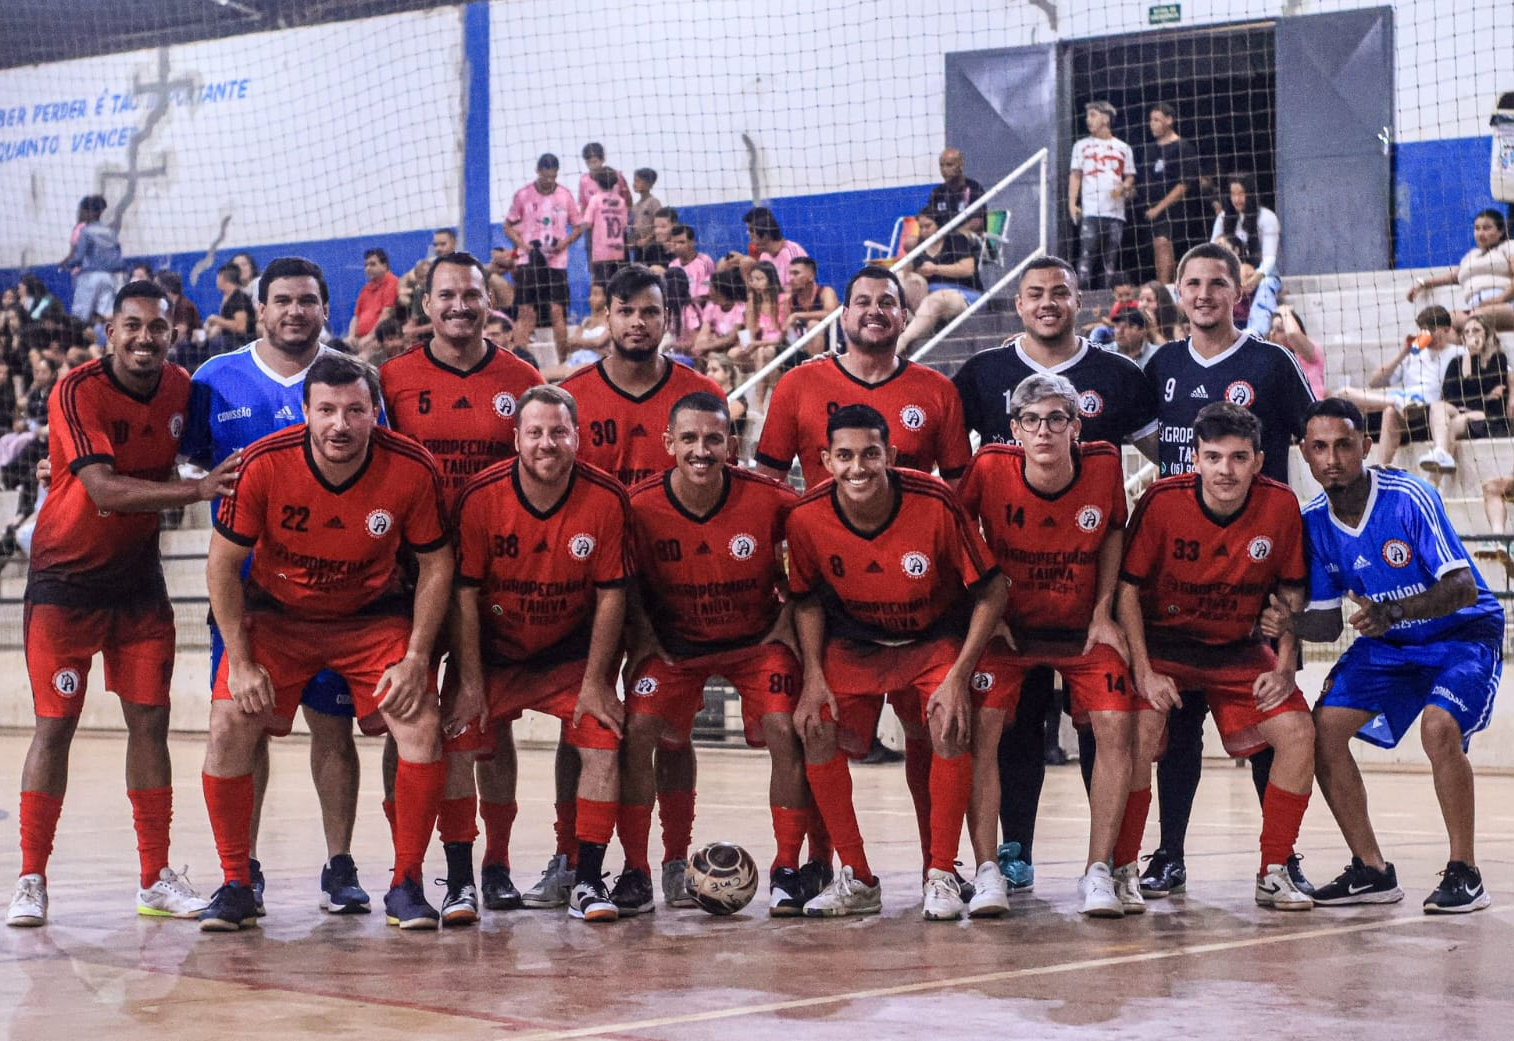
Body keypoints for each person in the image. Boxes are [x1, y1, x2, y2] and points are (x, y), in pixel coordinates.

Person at [8, 281, 238, 928]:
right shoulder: (77, 388)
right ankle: (30, 877)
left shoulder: (179, 388)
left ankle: (153, 876)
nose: (144, 337)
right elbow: (103, 488)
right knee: (56, 725)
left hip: (139, 583)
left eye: (157, 328)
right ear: (110, 330)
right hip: (65, 583)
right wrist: (194, 494)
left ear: (173, 333)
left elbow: (202, 451)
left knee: (151, 724)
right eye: (131, 325)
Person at [199, 353, 451, 932]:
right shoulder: (264, 463)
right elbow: (221, 565)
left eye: (356, 410)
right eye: (328, 410)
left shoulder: (411, 467)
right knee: (229, 723)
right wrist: (239, 662)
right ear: (305, 412)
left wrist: (416, 658)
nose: (341, 424)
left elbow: (437, 565)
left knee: (420, 723)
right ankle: (237, 882)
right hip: (279, 618)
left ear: (375, 412)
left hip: (370, 619)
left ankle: (407, 884)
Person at [951, 255, 1158, 896]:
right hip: (1013, 622)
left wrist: (1103, 611)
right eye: (1035, 293)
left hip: (1079, 623)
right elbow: (956, 525)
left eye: (1060, 292)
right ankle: (1002, 860)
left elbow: (1139, 496)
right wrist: (986, 611)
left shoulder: (1114, 390)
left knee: (1112, 724)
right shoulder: (984, 389)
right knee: (1001, 730)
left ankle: (1110, 866)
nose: (1048, 302)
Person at [184, 257, 373, 920]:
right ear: (260, 309)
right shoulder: (214, 379)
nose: (296, 311)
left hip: (337, 596)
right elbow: (193, 472)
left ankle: (341, 863)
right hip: (248, 600)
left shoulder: (350, 378)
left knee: (334, 727)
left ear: (327, 309)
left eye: (309, 300)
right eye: (283, 300)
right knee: (243, 726)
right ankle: (244, 871)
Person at [1134, 243, 1316, 898]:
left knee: (1272, 726)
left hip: (1254, 574)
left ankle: (1279, 859)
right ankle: (1168, 854)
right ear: (1176, 290)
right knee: (1174, 729)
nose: (1206, 293)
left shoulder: (1272, 362)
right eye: (1193, 282)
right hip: (1180, 574)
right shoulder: (1161, 365)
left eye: (1219, 282)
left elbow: (1312, 438)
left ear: (1239, 288)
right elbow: (1139, 434)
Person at [1281, 397, 1501, 913]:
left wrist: (1393, 613)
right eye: (1319, 448)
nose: (1331, 458)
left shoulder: (1409, 496)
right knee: (1323, 730)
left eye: (1342, 445)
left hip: (1462, 636)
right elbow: (1326, 622)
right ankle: (1372, 870)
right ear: (1304, 455)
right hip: (1391, 644)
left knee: (1439, 728)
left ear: (1364, 445)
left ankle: (1465, 872)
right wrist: (1276, 617)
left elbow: (1464, 587)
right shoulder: (1312, 522)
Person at [787, 404, 1005, 920]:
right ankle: (858, 877)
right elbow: (807, 598)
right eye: (843, 456)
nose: (857, 467)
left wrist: (958, 675)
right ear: (824, 459)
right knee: (815, 727)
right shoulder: (806, 516)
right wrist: (814, 677)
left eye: (869, 453)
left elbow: (994, 591)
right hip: (857, 643)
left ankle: (941, 875)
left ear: (892, 454)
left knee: (947, 724)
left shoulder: (935, 502)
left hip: (932, 641)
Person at [379, 251, 545, 925]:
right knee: (410, 719)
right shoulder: (390, 380)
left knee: (490, 720)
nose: (459, 306)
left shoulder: (521, 377)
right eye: (446, 295)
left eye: (471, 295)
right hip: (410, 577)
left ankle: (495, 863)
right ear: (425, 305)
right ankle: (417, 866)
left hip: (492, 579)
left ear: (488, 301)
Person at [556, 265, 724, 908]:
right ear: (607, 315)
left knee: (670, 733)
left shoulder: (698, 393)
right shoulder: (574, 395)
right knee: (586, 723)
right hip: (587, 589)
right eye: (625, 310)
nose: (637, 322)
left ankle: (674, 861)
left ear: (667, 319)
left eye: (649, 312)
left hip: (669, 589)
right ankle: (572, 855)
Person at [617, 392, 813, 915]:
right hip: (675, 645)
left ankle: (788, 868)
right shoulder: (638, 506)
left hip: (755, 642)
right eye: (688, 439)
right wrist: (642, 634)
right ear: (668, 444)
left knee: (784, 727)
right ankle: (648, 867)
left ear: (731, 443)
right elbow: (624, 582)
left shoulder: (773, 499)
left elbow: (809, 561)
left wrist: (788, 623)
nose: (701, 450)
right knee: (642, 731)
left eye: (712, 439)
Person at [1118, 402, 1316, 912]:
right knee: (1139, 732)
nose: (1225, 469)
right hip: (1166, 645)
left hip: (1237, 648)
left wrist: (1285, 662)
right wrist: (1142, 669)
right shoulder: (1162, 500)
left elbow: (1293, 592)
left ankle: (1275, 869)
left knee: (1297, 732)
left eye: (1238, 457)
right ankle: (1125, 868)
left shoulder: (1281, 505)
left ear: (1258, 461)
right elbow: (1126, 591)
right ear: (1195, 460)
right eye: (1213, 457)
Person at [448, 384, 631, 923]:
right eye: (535, 433)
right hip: (495, 655)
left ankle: (588, 881)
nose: (546, 443)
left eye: (558, 431)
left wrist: (599, 681)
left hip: (569, 657)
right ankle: (470, 878)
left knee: (602, 744)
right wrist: (471, 682)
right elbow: (462, 595)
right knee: (461, 742)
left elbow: (612, 595)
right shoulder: (481, 497)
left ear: (578, 435)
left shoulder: (606, 498)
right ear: (515, 439)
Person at [756, 265, 971, 489]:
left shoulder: (938, 390)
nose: (874, 310)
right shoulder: (797, 384)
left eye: (886, 303)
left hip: (912, 523)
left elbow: (961, 490)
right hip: (822, 523)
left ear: (904, 318)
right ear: (844, 317)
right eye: (863, 302)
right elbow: (765, 485)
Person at [1335, 306, 1465, 469]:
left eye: (1431, 329)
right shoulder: (1413, 354)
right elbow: (1375, 382)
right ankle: (1382, 468)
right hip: (1403, 406)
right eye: (1423, 329)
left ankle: (1382, 463)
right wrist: (1403, 353)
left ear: (1446, 329)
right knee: (1344, 393)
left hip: (1427, 409)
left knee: (1390, 411)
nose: (1427, 334)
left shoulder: (1458, 353)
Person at [504, 154, 586, 362]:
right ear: (538, 171)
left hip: (556, 263)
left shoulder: (564, 195)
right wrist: (524, 246)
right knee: (526, 312)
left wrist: (564, 243)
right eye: (546, 176)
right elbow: (508, 226)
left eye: (553, 177)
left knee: (557, 311)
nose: (549, 180)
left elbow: (579, 226)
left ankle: (564, 362)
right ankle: (519, 363)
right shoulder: (523, 195)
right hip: (529, 262)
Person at [1424, 313, 1508, 476]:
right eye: (1467, 332)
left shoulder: (1497, 359)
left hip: (1487, 416)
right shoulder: (1456, 362)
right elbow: (1449, 395)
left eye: (1476, 330)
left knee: (1451, 425)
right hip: (1461, 413)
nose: (1471, 335)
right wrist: (1468, 358)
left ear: (1487, 334)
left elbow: (1495, 396)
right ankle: (1441, 453)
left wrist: (1477, 404)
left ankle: (1434, 478)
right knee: (1437, 407)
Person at [1406, 208, 1514, 332]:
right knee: (1439, 324)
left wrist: (1499, 299)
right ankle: (1412, 351)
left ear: (1500, 231)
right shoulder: (1470, 256)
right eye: (1477, 228)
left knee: (1473, 320)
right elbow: (1451, 277)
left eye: (1486, 228)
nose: (1480, 233)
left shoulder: (1508, 246)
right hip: (1476, 308)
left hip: (1506, 305)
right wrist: (1422, 283)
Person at [1069, 101, 1136, 290]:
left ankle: (1106, 299)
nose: (1088, 119)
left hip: (1115, 213)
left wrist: (1124, 186)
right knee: (1085, 258)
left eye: (1093, 115)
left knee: (1110, 261)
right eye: (1087, 115)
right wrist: (1072, 203)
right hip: (1091, 211)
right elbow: (1075, 175)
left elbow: (1130, 176)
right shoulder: (1081, 146)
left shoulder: (1123, 148)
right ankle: (1081, 297)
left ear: (1106, 118)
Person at [897, 211, 982, 354]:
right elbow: (908, 275)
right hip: (927, 299)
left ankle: (902, 341)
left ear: (939, 225)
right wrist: (907, 268)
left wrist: (936, 269)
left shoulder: (956, 239)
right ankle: (917, 325)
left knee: (936, 299)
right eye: (921, 227)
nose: (923, 231)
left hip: (961, 293)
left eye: (928, 226)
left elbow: (968, 269)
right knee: (900, 278)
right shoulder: (921, 245)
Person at [1210, 175, 1282, 335]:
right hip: (1230, 276)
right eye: (1233, 194)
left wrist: (1254, 279)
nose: (1237, 199)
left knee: (1266, 287)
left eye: (1241, 193)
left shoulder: (1267, 217)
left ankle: (1256, 332)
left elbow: (1270, 258)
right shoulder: (1222, 219)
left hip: (1262, 276)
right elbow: (1212, 251)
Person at [1143, 103, 1201, 284]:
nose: (1152, 124)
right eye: (1150, 120)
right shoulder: (1150, 150)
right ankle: (1166, 287)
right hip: (1153, 211)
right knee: (1158, 247)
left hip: (1177, 211)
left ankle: (1164, 288)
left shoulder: (1183, 147)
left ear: (1169, 120)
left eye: (1156, 120)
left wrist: (1158, 208)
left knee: (1164, 244)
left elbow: (1184, 185)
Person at [61, 195, 126, 325]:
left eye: (81, 211)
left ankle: (81, 343)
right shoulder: (110, 231)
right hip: (109, 277)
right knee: (107, 315)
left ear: (88, 212)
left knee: (80, 316)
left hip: (89, 277)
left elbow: (78, 258)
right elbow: (117, 255)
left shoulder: (86, 231)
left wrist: (67, 264)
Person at [734, 208, 808, 289]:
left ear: (766, 235)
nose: (748, 234)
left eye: (751, 230)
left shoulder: (791, 254)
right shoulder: (764, 256)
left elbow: (797, 291)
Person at [582, 168, 630, 289]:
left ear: (597, 182)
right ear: (615, 183)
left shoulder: (595, 200)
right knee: (619, 286)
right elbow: (624, 226)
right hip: (618, 251)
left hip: (601, 252)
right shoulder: (621, 201)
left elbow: (587, 223)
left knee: (602, 287)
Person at [922, 147, 985, 237]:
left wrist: (955, 235)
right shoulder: (937, 193)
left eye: (949, 165)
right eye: (941, 165)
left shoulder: (974, 188)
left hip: (968, 240)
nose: (944, 170)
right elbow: (930, 220)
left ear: (961, 166)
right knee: (910, 242)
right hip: (942, 241)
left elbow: (977, 222)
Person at [1269, 303, 1325, 400]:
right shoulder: (1271, 359)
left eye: (1280, 329)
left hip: (1312, 409)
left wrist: (1285, 310)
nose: (1273, 333)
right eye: (1272, 329)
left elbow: (1293, 334)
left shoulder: (1308, 352)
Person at [347, 248, 398, 352]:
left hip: (380, 338)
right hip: (360, 339)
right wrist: (351, 336)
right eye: (366, 265)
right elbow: (355, 317)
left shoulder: (392, 283)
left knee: (362, 359)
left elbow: (386, 315)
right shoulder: (365, 289)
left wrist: (370, 337)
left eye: (372, 264)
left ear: (384, 266)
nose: (368, 268)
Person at [783, 257, 838, 351]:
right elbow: (787, 330)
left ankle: (814, 365)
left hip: (831, 345)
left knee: (813, 324)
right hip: (801, 347)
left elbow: (831, 314)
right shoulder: (790, 300)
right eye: (790, 274)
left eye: (796, 273)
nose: (791, 278)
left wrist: (797, 315)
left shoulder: (825, 292)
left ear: (811, 276)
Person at [203, 262, 255, 355]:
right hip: (229, 340)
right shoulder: (228, 297)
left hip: (242, 343)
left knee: (217, 343)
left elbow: (241, 327)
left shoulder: (239, 298)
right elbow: (229, 323)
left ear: (222, 278)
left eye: (218, 277)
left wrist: (216, 320)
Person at [693, 269, 747, 359]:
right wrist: (700, 345)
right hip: (718, 345)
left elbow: (731, 338)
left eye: (711, 289)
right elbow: (703, 333)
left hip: (737, 345)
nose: (709, 292)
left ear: (721, 291)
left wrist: (708, 345)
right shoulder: (711, 307)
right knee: (702, 353)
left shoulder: (740, 308)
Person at [667, 224, 714, 304]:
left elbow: (708, 289)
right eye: (674, 243)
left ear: (692, 242)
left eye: (681, 242)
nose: (677, 246)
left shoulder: (705, 261)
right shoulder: (672, 265)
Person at [628, 168, 662, 261]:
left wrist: (647, 239)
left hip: (652, 247)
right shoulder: (635, 206)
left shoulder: (653, 202)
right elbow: (633, 228)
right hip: (638, 247)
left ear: (648, 184)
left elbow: (659, 225)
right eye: (634, 180)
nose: (634, 184)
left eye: (637, 181)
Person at [1138, 280, 1182, 344]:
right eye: (1141, 299)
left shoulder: (1175, 327)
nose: (1143, 305)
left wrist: (1154, 333)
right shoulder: (1135, 326)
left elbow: (1172, 352)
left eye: (1149, 300)